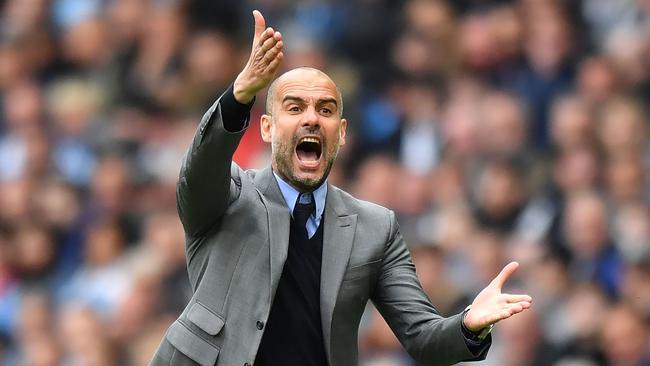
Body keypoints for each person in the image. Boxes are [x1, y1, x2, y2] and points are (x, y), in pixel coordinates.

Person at [149, 10, 532, 366]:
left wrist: (469, 325)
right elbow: (198, 174)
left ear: (342, 134)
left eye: (326, 110)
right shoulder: (227, 194)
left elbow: (424, 338)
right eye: (295, 108)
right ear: (266, 127)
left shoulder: (374, 228)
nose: (313, 119)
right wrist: (238, 97)